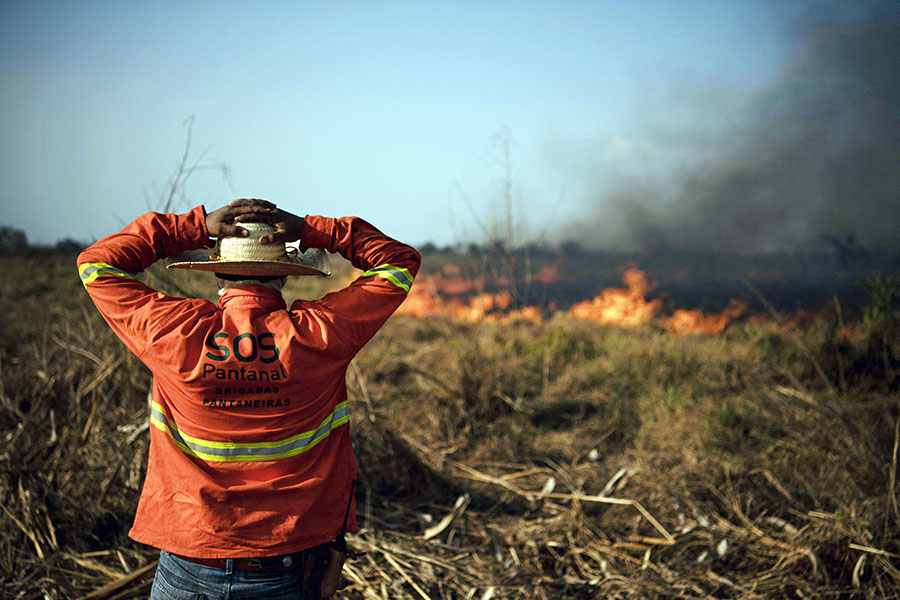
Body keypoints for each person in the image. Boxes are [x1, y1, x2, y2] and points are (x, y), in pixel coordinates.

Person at [77, 199, 420, 599]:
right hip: (287, 565)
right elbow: (397, 262)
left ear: (217, 269)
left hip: (190, 562)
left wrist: (192, 226)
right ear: (284, 275)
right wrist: (311, 229)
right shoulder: (321, 334)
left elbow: (96, 264)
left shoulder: (173, 332)